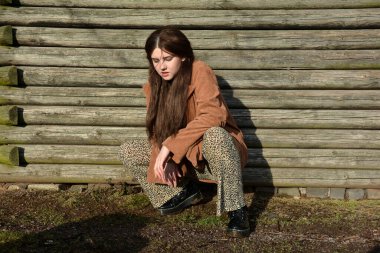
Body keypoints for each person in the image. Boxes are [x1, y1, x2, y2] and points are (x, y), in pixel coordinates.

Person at [119, 27, 250, 237]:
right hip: (184, 161)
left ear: (182, 55)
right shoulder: (153, 86)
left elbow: (214, 116)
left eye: (167, 58)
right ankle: (184, 192)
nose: (161, 66)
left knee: (215, 135)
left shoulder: (200, 71)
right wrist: (167, 157)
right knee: (128, 150)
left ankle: (237, 209)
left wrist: (170, 147)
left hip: (215, 156)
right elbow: (155, 132)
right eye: (155, 60)